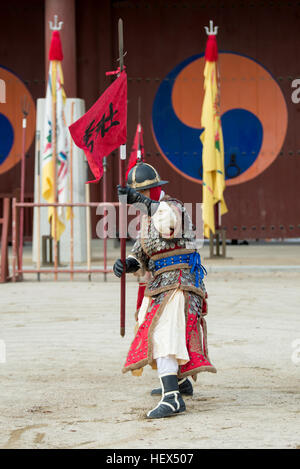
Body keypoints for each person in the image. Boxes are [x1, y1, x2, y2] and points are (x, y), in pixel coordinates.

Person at [113, 162, 216, 419]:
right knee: (147, 325)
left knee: (165, 330)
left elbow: (169, 222)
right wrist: (127, 263)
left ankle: (171, 398)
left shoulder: (175, 207)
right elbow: (141, 256)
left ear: (155, 189)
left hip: (182, 280)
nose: (141, 199)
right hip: (160, 283)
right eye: (138, 195)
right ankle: (180, 382)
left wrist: (145, 203)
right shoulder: (145, 220)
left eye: (145, 193)